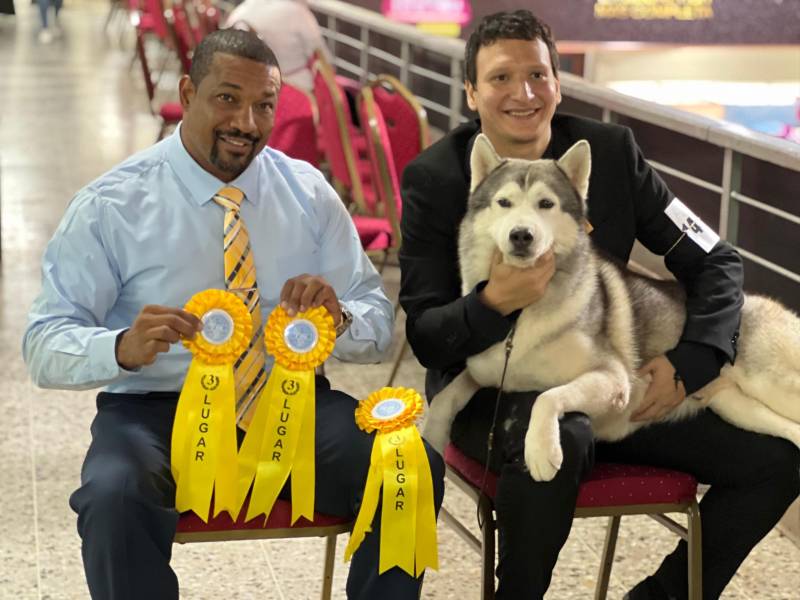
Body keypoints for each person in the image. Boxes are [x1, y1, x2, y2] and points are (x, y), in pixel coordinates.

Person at [23, 29, 443, 600]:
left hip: (294, 406)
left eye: (264, 105)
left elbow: (374, 325)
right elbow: (44, 342)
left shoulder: (308, 193)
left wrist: (338, 317)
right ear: (189, 90)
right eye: (227, 98)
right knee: (113, 494)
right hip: (154, 413)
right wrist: (119, 346)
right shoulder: (112, 204)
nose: (246, 122)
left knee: (407, 465)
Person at [400, 9, 799, 600]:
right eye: (501, 78)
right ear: (472, 92)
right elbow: (428, 335)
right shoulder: (435, 178)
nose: (523, 93)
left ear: (558, 83)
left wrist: (690, 364)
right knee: (566, 438)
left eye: (538, 75)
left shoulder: (610, 153)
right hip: (490, 387)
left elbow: (715, 261)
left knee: (778, 461)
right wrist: (490, 303)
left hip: (617, 381)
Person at [224, 0, 328, 92]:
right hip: (299, 89)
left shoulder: (238, 14)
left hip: (252, 91)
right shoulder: (297, 12)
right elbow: (323, 56)